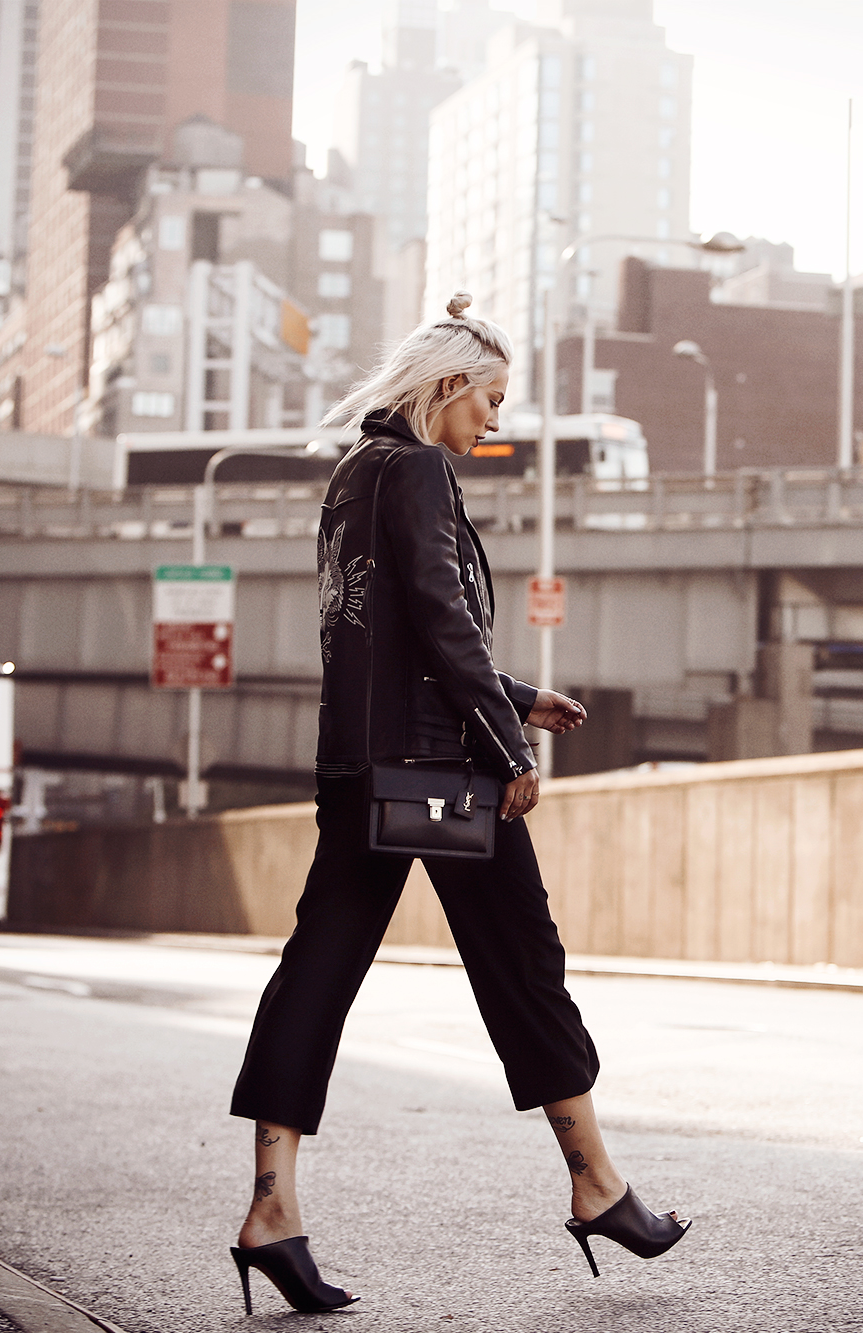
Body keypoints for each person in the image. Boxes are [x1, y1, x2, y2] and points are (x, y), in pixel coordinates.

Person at [225, 292, 691, 1315]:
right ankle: (596, 1184)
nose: (495, 422)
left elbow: (394, 632)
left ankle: (271, 1206)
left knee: (317, 969)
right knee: (523, 961)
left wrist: (518, 693)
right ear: (444, 388)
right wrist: (504, 739)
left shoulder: (354, 472)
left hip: (358, 768)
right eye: (489, 400)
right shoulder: (423, 469)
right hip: (438, 773)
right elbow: (439, 617)